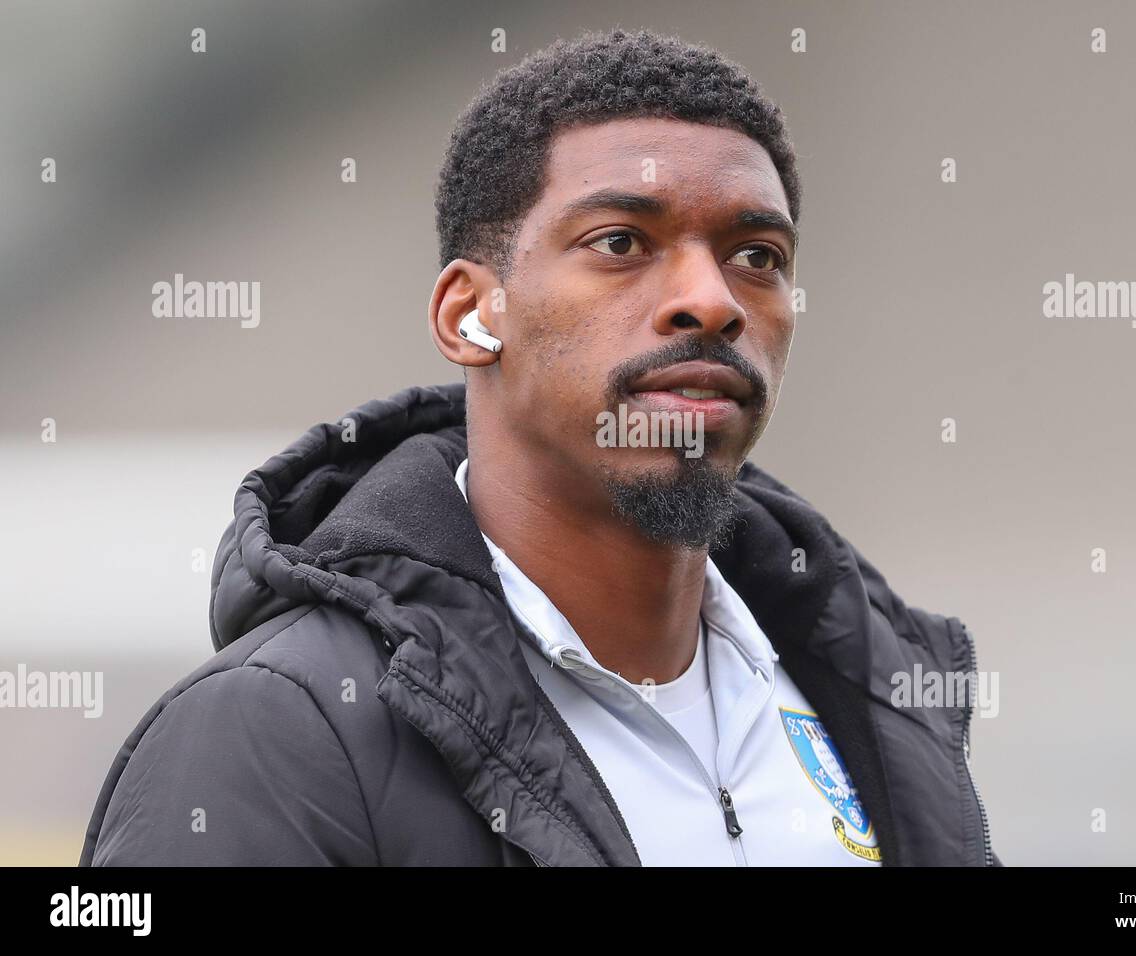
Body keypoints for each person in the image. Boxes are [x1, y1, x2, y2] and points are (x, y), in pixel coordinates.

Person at [81, 27, 999, 867]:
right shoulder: (274, 732)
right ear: (471, 314)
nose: (713, 300)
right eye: (621, 241)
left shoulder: (874, 700)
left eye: (756, 255)